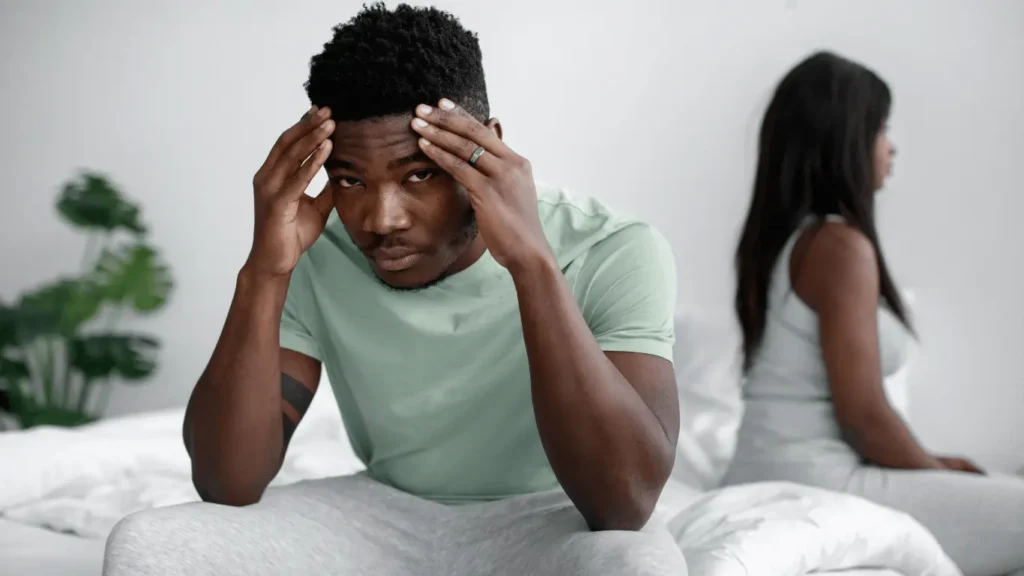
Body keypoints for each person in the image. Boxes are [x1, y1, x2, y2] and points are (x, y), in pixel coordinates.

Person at [102, 4, 686, 575]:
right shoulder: (315, 250)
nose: (381, 220)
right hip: (379, 513)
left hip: (550, 517)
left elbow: (622, 503)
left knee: (637, 565)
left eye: (419, 174)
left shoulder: (612, 250)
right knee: (149, 546)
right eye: (351, 180)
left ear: (488, 146)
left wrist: (532, 266)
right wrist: (265, 272)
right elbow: (226, 482)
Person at [723, 50, 1024, 576]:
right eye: (882, 128)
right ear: (845, 142)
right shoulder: (839, 245)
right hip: (815, 480)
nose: (892, 146)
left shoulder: (781, 240)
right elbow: (863, 418)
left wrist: (938, 467)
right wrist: (936, 470)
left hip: (763, 470)